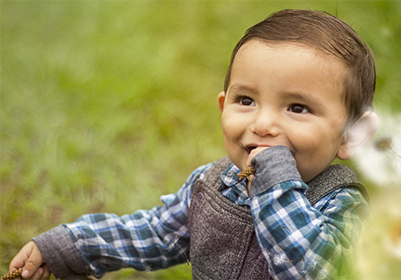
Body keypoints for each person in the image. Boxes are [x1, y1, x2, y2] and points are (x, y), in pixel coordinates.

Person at [8, 9, 378, 280]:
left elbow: (315, 269)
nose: (262, 124)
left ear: (350, 135)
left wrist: (275, 186)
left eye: (297, 108)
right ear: (223, 106)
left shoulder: (343, 206)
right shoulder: (212, 185)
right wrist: (69, 246)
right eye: (246, 101)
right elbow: (154, 233)